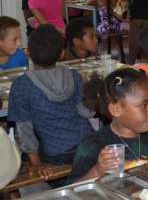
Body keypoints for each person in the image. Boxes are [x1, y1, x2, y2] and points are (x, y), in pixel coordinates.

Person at [8, 25, 93, 178]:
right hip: (87, 145)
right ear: (61, 53)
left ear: (29, 54)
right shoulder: (74, 75)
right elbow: (86, 113)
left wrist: (37, 163)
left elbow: (24, 129)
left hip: (56, 154)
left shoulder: (22, 84)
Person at [69, 68, 148, 182]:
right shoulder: (92, 145)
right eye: (144, 105)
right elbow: (73, 188)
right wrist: (98, 171)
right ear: (116, 109)